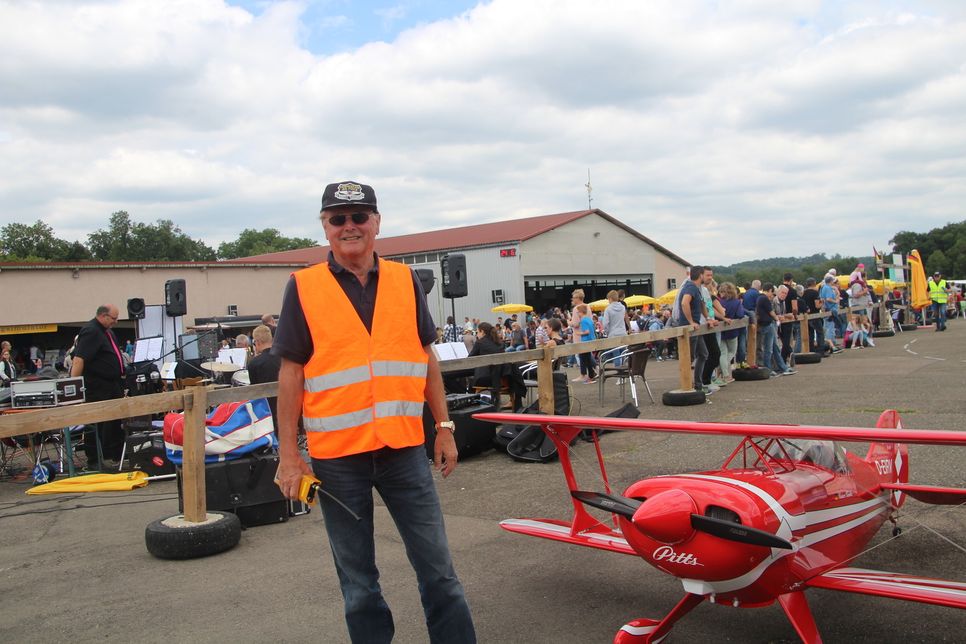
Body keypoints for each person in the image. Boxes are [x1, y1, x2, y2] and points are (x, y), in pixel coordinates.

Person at [272, 180, 475, 644]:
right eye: (337, 219)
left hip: (404, 450)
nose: (349, 227)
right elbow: (291, 375)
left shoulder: (406, 281)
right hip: (337, 458)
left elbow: (426, 359)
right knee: (359, 585)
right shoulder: (302, 287)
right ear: (324, 226)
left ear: (377, 222)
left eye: (359, 216)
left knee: (439, 572)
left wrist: (443, 428)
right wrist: (289, 454)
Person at [71, 304, 127, 466]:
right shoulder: (91, 331)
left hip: (113, 384)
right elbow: (79, 359)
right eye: (114, 319)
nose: (116, 322)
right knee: (96, 423)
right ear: (103, 316)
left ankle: (116, 454)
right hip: (97, 386)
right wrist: (74, 386)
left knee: (116, 422)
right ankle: (94, 459)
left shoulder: (107, 332)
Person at [672, 266, 715, 393]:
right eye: (706, 275)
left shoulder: (698, 289)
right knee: (688, 357)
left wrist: (708, 318)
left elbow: (702, 305)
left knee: (703, 354)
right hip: (688, 328)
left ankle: (698, 385)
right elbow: (685, 303)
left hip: (696, 327)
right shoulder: (690, 287)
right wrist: (691, 322)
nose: (709, 277)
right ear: (700, 275)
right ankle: (688, 386)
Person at [247, 324, 281, 434]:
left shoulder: (254, 363)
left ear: (257, 342)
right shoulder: (285, 358)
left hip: (266, 412)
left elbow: (254, 392)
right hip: (287, 405)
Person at [573, 304, 598, 383]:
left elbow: (587, 331)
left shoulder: (583, 320)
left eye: (578, 312)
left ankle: (590, 376)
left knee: (585, 359)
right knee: (587, 359)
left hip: (585, 341)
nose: (577, 314)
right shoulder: (589, 319)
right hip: (591, 340)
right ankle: (591, 375)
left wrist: (578, 333)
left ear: (581, 312)